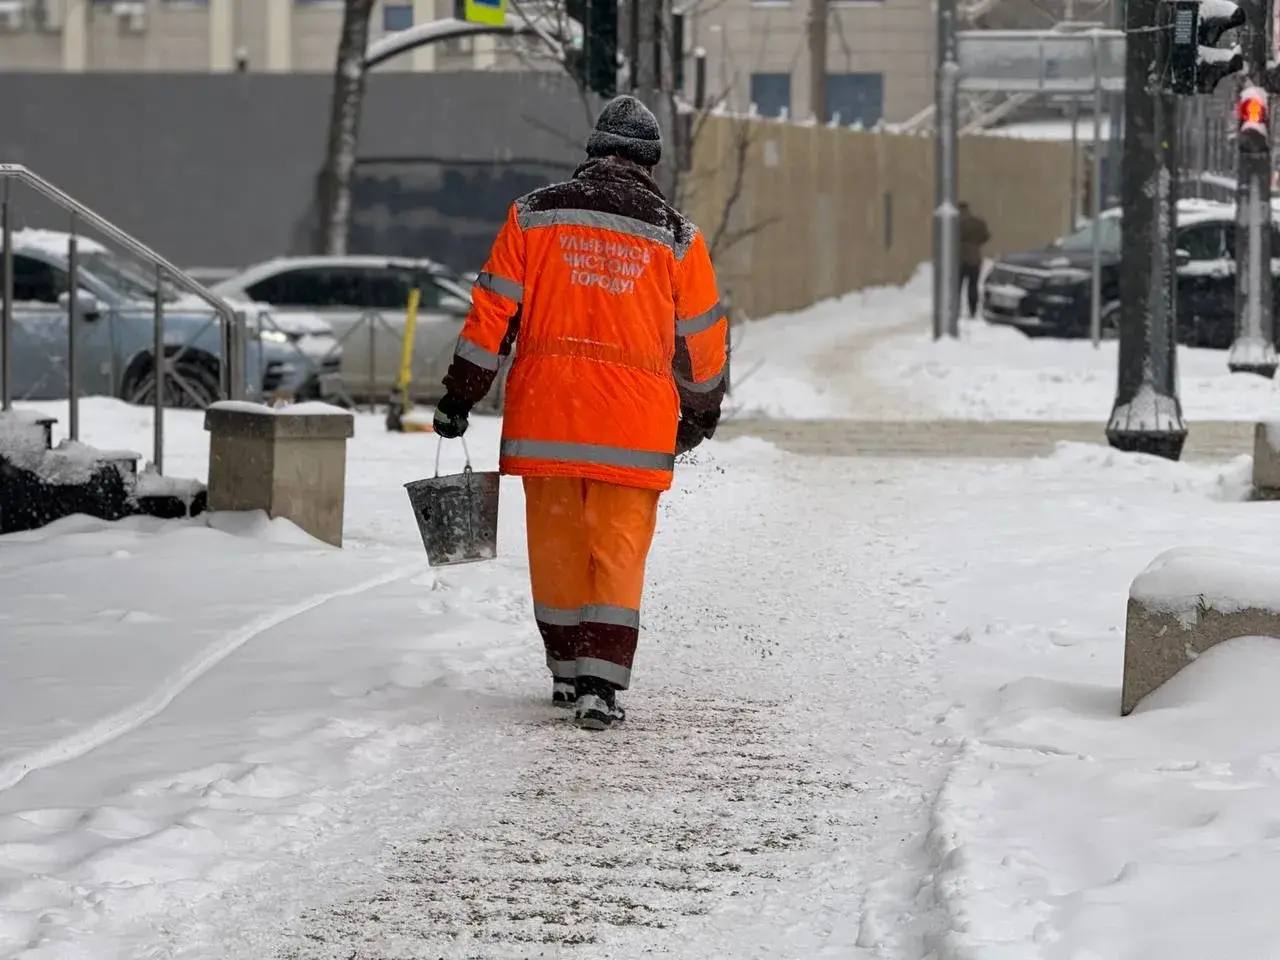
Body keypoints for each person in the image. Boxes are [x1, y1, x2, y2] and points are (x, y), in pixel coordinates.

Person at [432, 95, 727, 732]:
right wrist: (700, 415)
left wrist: (460, 395)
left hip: (549, 420)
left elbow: (491, 317)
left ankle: (565, 672)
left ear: (592, 153)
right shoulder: (676, 235)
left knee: (559, 546)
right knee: (617, 552)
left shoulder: (532, 215)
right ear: (651, 163)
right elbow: (701, 338)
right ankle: (601, 684)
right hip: (635, 430)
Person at [958, 201, 990, 319]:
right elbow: (986, 236)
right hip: (975, 258)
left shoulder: (955, 222)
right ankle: (973, 310)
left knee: (957, 287)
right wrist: (975, 244)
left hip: (959, 259)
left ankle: (956, 310)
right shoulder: (978, 222)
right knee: (973, 286)